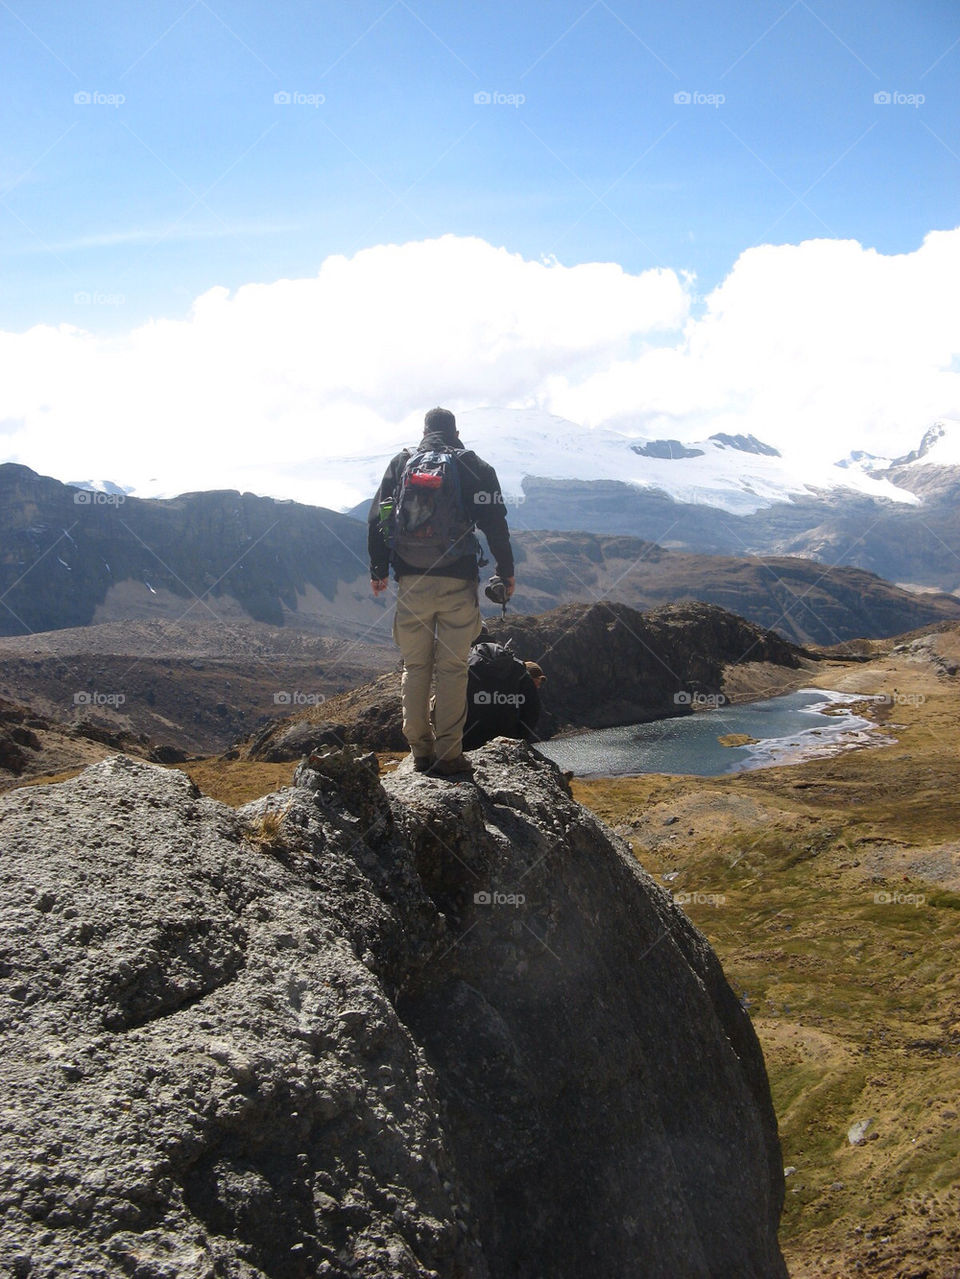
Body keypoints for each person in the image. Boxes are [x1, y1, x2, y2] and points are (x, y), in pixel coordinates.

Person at [368, 407, 515, 777]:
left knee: (416, 666)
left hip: (412, 581)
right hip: (457, 582)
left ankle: (420, 750)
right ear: (456, 431)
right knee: (452, 668)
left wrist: (378, 569)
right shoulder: (474, 467)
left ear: (424, 432)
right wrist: (506, 572)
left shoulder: (401, 464)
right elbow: (496, 524)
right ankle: (449, 754)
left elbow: (377, 517)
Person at [461, 640, 544, 750]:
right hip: (509, 740)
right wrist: (520, 738)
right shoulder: (517, 668)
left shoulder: (466, 665)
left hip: (469, 740)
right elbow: (532, 709)